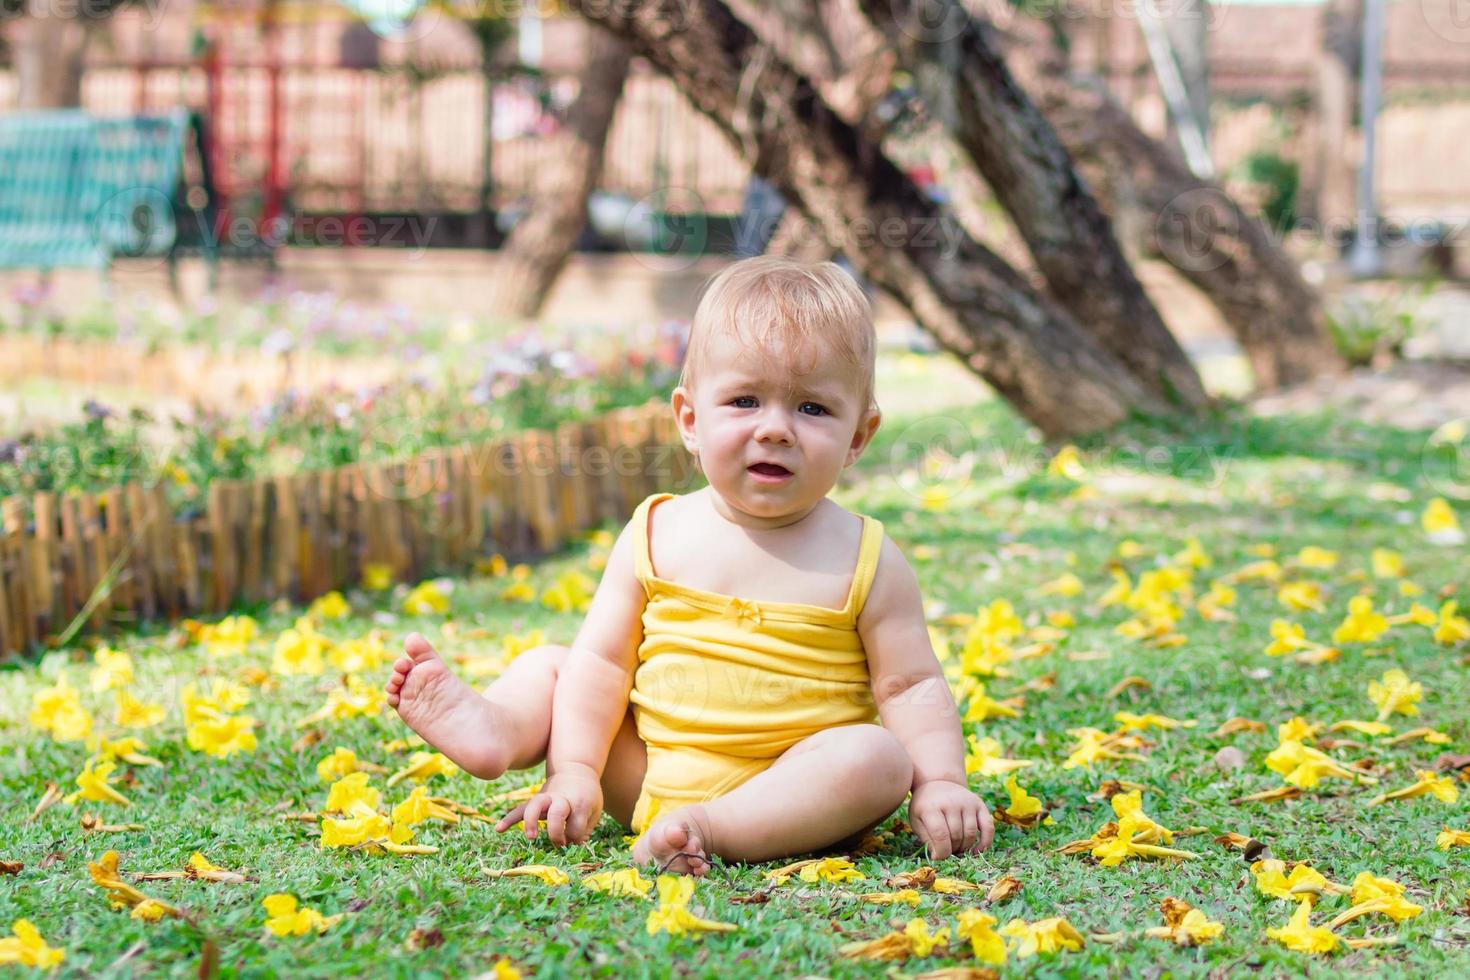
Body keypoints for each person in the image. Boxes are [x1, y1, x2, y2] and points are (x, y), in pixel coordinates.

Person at [385, 256, 991, 875]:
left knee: (877, 759)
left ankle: (707, 829)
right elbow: (604, 663)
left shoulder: (867, 559)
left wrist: (940, 781)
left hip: (791, 796)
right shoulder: (656, 530)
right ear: (691, 421)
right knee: (558, 667)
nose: (776, 429)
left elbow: (909, 685)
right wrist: (575, 770)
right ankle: (497, 730)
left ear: (859, 437)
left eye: (812, 409)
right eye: (745, 400)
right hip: (641, 771)